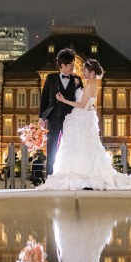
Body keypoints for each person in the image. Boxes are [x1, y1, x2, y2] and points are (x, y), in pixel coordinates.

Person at [38, 58, 131, 191]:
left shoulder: (91, 84)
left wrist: (63, 100)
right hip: (83, 118)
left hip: (81, 117)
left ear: (91, 72)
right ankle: (82, 173)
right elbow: (86, 101)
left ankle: (80, 174)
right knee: (83, 147)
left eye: (84, 70)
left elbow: (81, 104)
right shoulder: (90, 83)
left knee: (79, 146)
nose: (82, 72)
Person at [39, 47, 81, 177]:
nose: (73, 68)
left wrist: (79, 84)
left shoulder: (76, 79)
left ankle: (68, 173)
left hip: (70, 118)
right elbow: (44, 98)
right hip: (54, 118)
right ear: (62, 65)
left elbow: (81, 96)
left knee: (69, 145)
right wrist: (41, 117)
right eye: (71, 65)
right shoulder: (50, 78)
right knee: (52, 147)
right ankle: (50, 175)